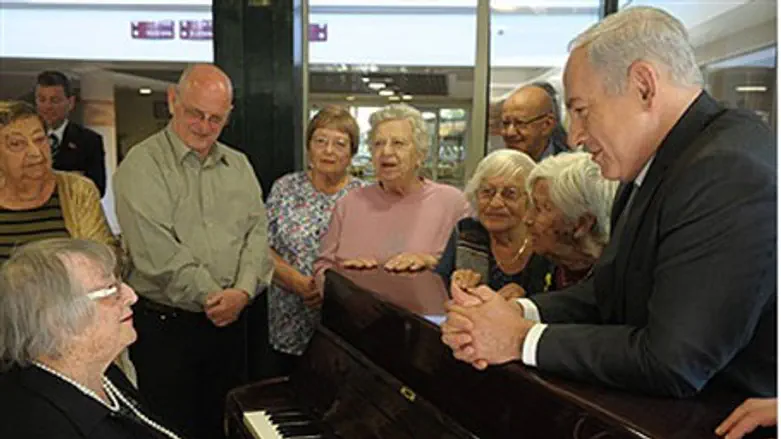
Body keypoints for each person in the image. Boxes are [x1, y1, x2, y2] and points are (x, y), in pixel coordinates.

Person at [441, 6, 776, 398]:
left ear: (644, 86)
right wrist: (516, 312)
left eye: (582, 111)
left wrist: (520, 339)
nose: (575, 136)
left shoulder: (725, 170)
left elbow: (674, 361)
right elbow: (608, 294)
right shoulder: (656, 164)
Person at [114, 64, 274, 439]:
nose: (204, 126)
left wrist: (243, 291)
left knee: (228, 428)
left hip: (232, 326)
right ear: (173, 100)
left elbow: (257, 234)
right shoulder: (141, 164)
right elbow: (155, 251)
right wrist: (214, 296)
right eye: (195, 113)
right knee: (171, 430)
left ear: (228, 115)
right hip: (166, 332)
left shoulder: (239, 165)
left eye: (215, 119)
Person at [0, 238, 182, 439]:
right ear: (56, 318)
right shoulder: (39, 424)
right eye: (111, 290)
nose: (131, 296)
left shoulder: (101, 373)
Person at [314, 103, 470, 283]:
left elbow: (472, 272)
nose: (386, 151)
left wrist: (432, 262)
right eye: (378, 144)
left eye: (398, 143)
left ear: (420, 154)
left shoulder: (453, 203)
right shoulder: (348, 204)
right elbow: (322, 268)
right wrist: (342, 276)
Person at [266, 106, 366, 372]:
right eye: (320, 141)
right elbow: (262, 247)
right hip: (288, 319)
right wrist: (297, 282)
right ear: (309, 147)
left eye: (339, 144)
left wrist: (328, 291)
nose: (328, 151)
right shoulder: (285, 188)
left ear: (352, 152)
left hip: (346, 324)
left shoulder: (365, 198)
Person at [434, 149, 551, 299]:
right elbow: (438, 291)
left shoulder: (544, 240)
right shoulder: (466, 232)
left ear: (530, 200)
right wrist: (455, 284)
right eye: (487, 192)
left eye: (510, 193)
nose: (496, 203)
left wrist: (525, 302)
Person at [523, 151, 618, 292]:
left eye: (540, 209)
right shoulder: (542, 261)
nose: (527, 219)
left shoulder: (617, 281)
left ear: (582, 224)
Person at [35, 71, 107, 196]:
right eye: (42, 100)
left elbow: (97, 189)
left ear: (71, 103)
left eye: (55, 100)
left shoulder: (89, 141)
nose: (47, 106)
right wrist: (73, 177)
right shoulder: (23, 139)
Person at [500, 82, 567, 161]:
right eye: (506, 123)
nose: (510, 132)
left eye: (520, 123)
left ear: (547, 124)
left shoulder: (568, 166)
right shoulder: (497, 165)